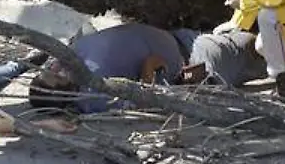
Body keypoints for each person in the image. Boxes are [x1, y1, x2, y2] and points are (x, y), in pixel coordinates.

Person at [28, 23, 265, 113]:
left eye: (50, 67)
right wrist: (149, 68)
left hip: (182, 36)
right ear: (66, 92)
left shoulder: (71, 57)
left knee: (254, 41)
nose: (57, 66)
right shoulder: (93, 97)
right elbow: (143, 100)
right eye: (56, 75)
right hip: (195, 65)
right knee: (256, 48)